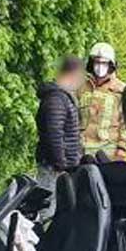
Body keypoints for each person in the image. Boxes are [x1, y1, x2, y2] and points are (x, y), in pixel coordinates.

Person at [35, 55, 84, 217]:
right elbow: (54, 134)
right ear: (72, 74)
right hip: (54, 168)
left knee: (59, 212)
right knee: (49, 212)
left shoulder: (61, 97)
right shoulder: (56, 99)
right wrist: (60, 165)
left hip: (60, 167)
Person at [78, 42, 126, 161]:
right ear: (91, 64)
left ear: (111, 65)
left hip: (109, 151)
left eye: (104, 63)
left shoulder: (121, 90)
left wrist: (122, 149)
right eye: (97, 62)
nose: (100, 66)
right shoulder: (81, 87)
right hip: (81, 150)